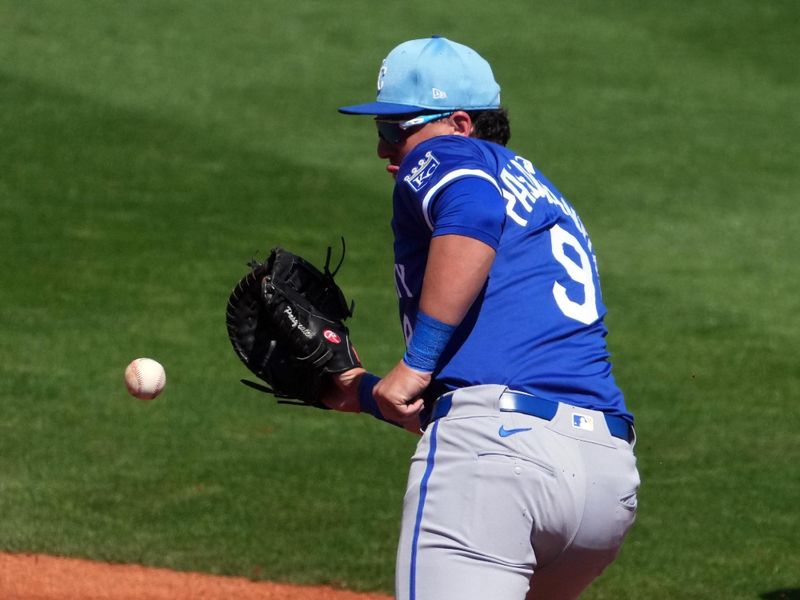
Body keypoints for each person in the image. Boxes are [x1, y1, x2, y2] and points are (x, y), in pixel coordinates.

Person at [327, 36, 640, 600]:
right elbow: (493, 373)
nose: (384, 149)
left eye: (395, 130)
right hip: (604, 479)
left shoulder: (446, 155)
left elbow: (471, 213)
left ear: (461, 124)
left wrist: (415, 365)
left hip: (499, 461)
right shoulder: (541, 190)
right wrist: (361, 391)